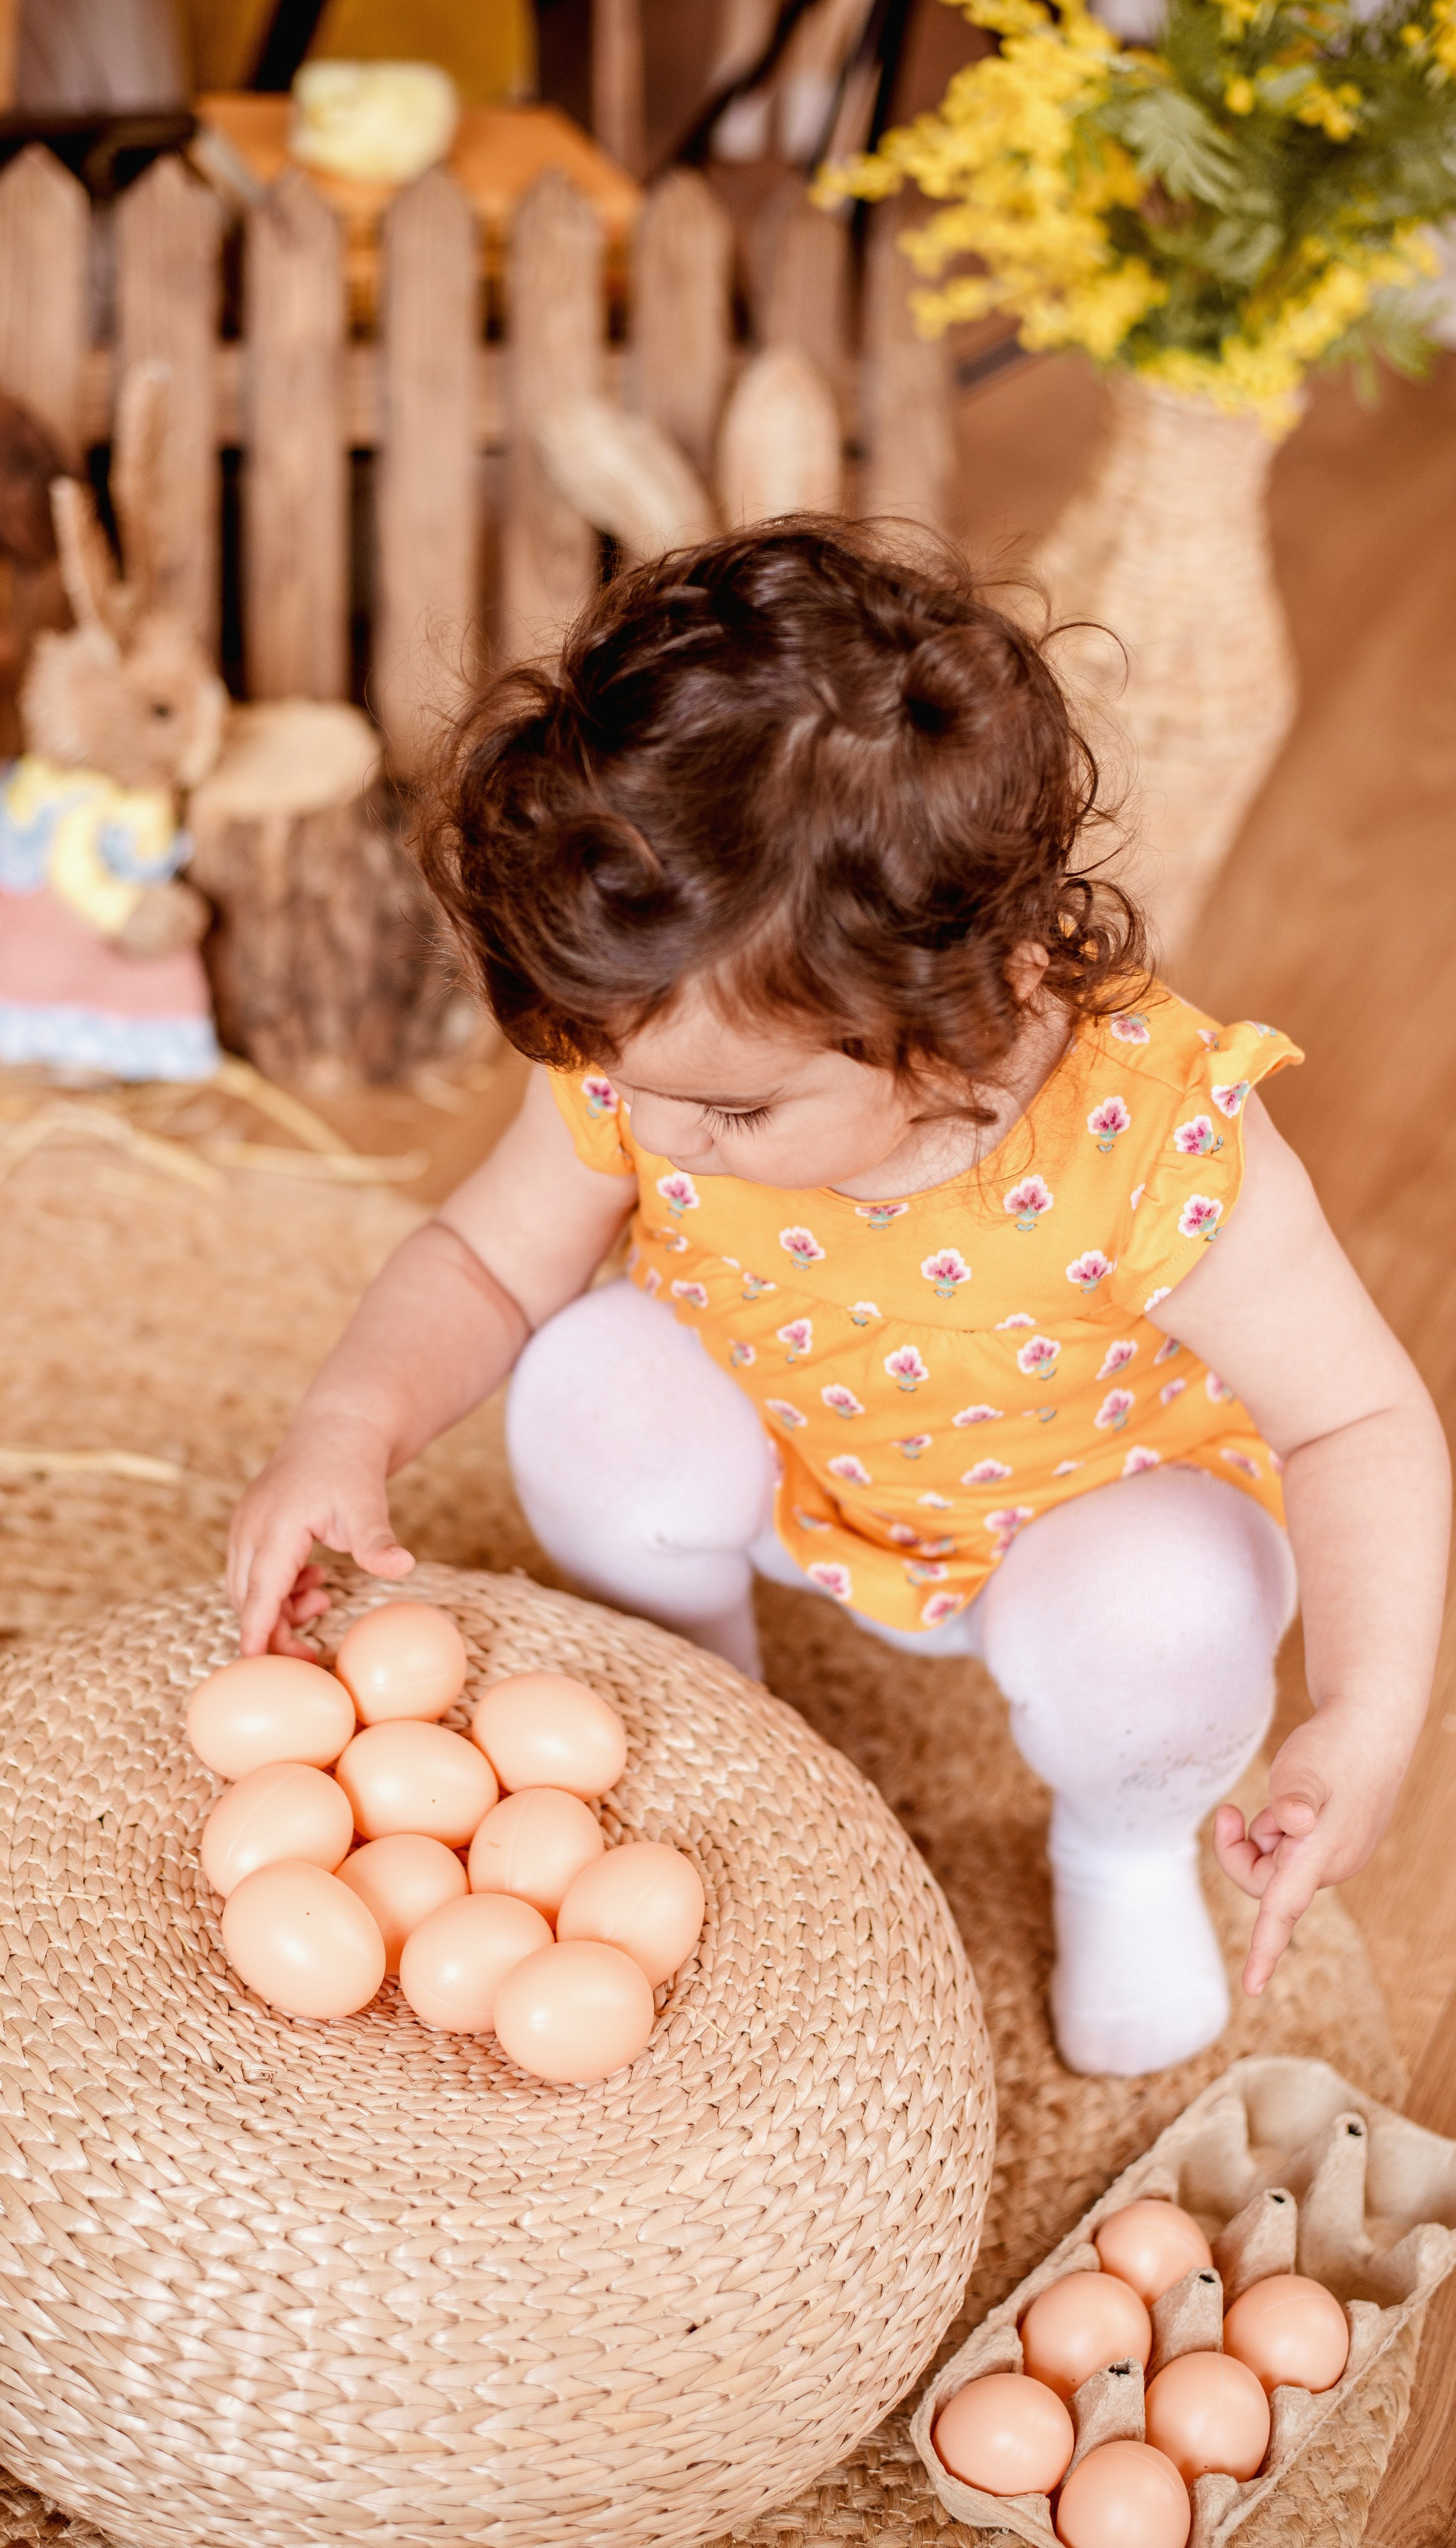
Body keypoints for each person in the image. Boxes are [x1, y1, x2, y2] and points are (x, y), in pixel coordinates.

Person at [227, 524, 1448, 2079]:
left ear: (955, 1023)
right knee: (588, 1372)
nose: (651, 1138)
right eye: (620, 1082)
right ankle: (692, 1686)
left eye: (730, 1119)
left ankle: (1118, 1851)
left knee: (1171, 1616)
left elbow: (1352, 1420)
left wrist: (1360, 1710)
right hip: (797, 1451)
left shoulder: (1156, 1140)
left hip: (1078, 1521)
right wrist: (349, 1425)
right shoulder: (662, 1054)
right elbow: (479, 1260)